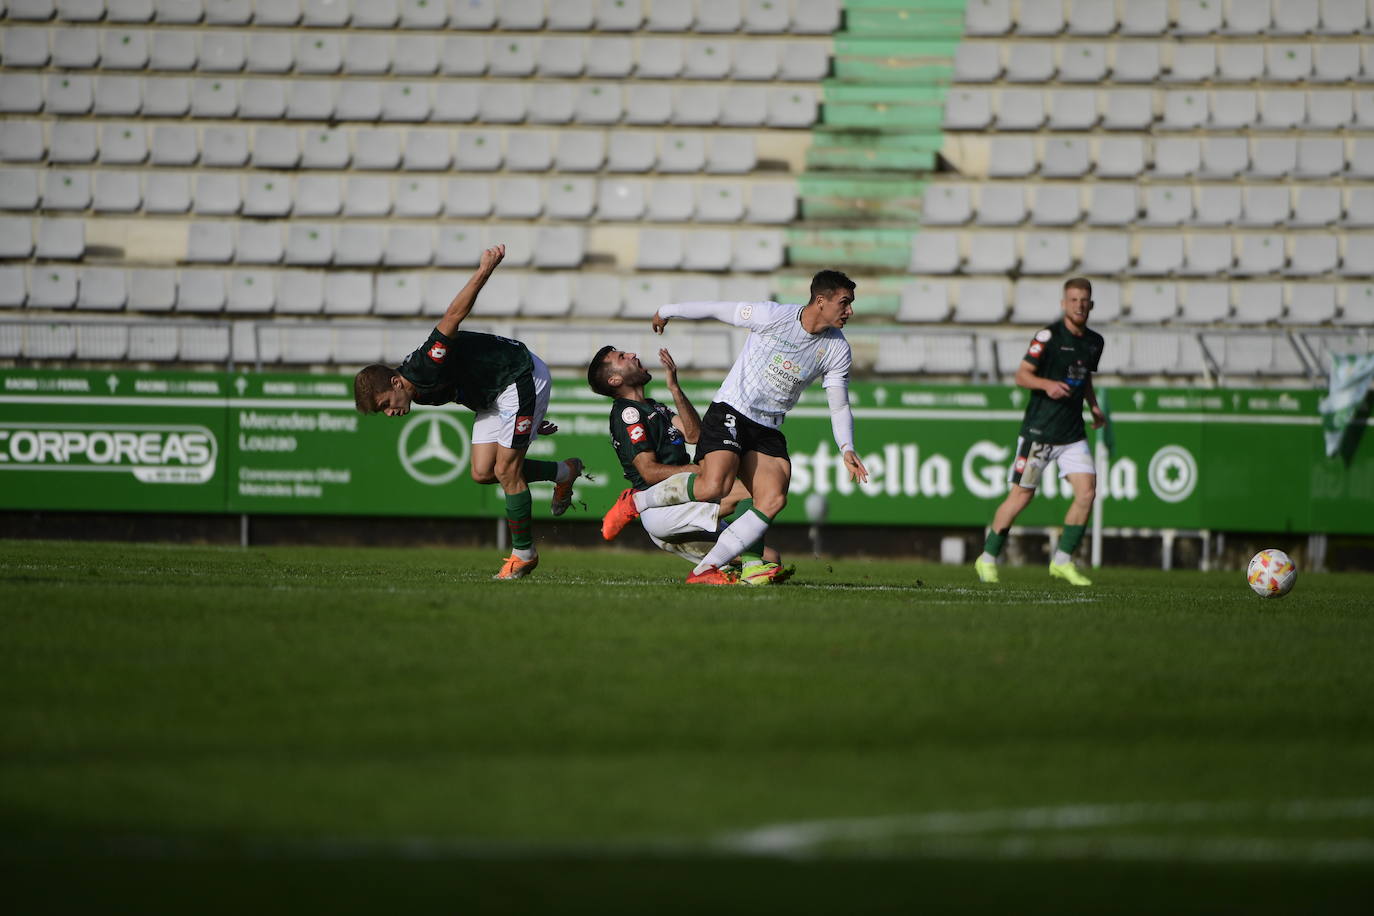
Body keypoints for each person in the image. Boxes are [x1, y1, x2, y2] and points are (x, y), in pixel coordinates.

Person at [600, 270, 869, 585]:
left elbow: (839, 404)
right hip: (732, 410)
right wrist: (668, 310)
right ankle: (636, 501)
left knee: (772, 499)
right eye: (844, 302)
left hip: (767, 427)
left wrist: (846, 447)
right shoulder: (773, 316)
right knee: (714, 487)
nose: (849, 311)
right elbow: (718, 309)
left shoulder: (837, 349)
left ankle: (707, 570)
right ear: (821, 301)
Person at [353, 244, 584, 581]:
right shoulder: (416, 393)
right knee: (482, 472)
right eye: (383, 411)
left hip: (518, 375)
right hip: (494, 397)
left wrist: (485, 269)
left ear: (395, 382)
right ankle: (564, 472)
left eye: (386, 402)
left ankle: (524, 555)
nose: (390, 412)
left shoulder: (422, 366)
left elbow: (451, 318)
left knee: (506, 470)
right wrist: (529, 420)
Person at [587, 344, 791, 585]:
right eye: (622, 357)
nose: (632, 354)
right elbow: (648, 471)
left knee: (772, 559)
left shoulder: (654, 407)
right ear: (614, 379)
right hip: (663, 508)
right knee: (755, 490)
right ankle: (749, 568)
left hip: (679, 509)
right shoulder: (628, 414)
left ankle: (720, 569)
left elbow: (694, 435)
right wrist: (697, 471)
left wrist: (674, 388)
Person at [974, 277, 1106, 587]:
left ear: (1091, 304)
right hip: (1040, 431)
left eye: (1084, 300)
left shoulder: (1094, 342)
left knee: (1087, 492)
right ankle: (988, 557)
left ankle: (1062, 561)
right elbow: (1022, 375)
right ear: (1063, 304)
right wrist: (1047, 384)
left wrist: (1094, 407)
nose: (1079, 305)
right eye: (1073, 300)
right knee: (1021, 497)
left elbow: (1084, 378)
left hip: (1073, 433)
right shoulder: (1047, 337)